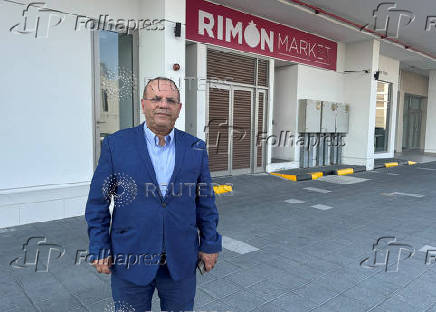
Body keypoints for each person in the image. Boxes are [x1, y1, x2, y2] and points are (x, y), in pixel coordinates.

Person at [84, 77, 222, 311]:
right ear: (143, 104)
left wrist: (210, 244)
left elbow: (205, 202)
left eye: (170, 100)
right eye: (156, 98)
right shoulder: (116, 145)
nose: (163, 104)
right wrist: (99, 246)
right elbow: (98, 202)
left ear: (179, 108)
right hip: (130, 257)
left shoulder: (195, 147)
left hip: (181, 259)